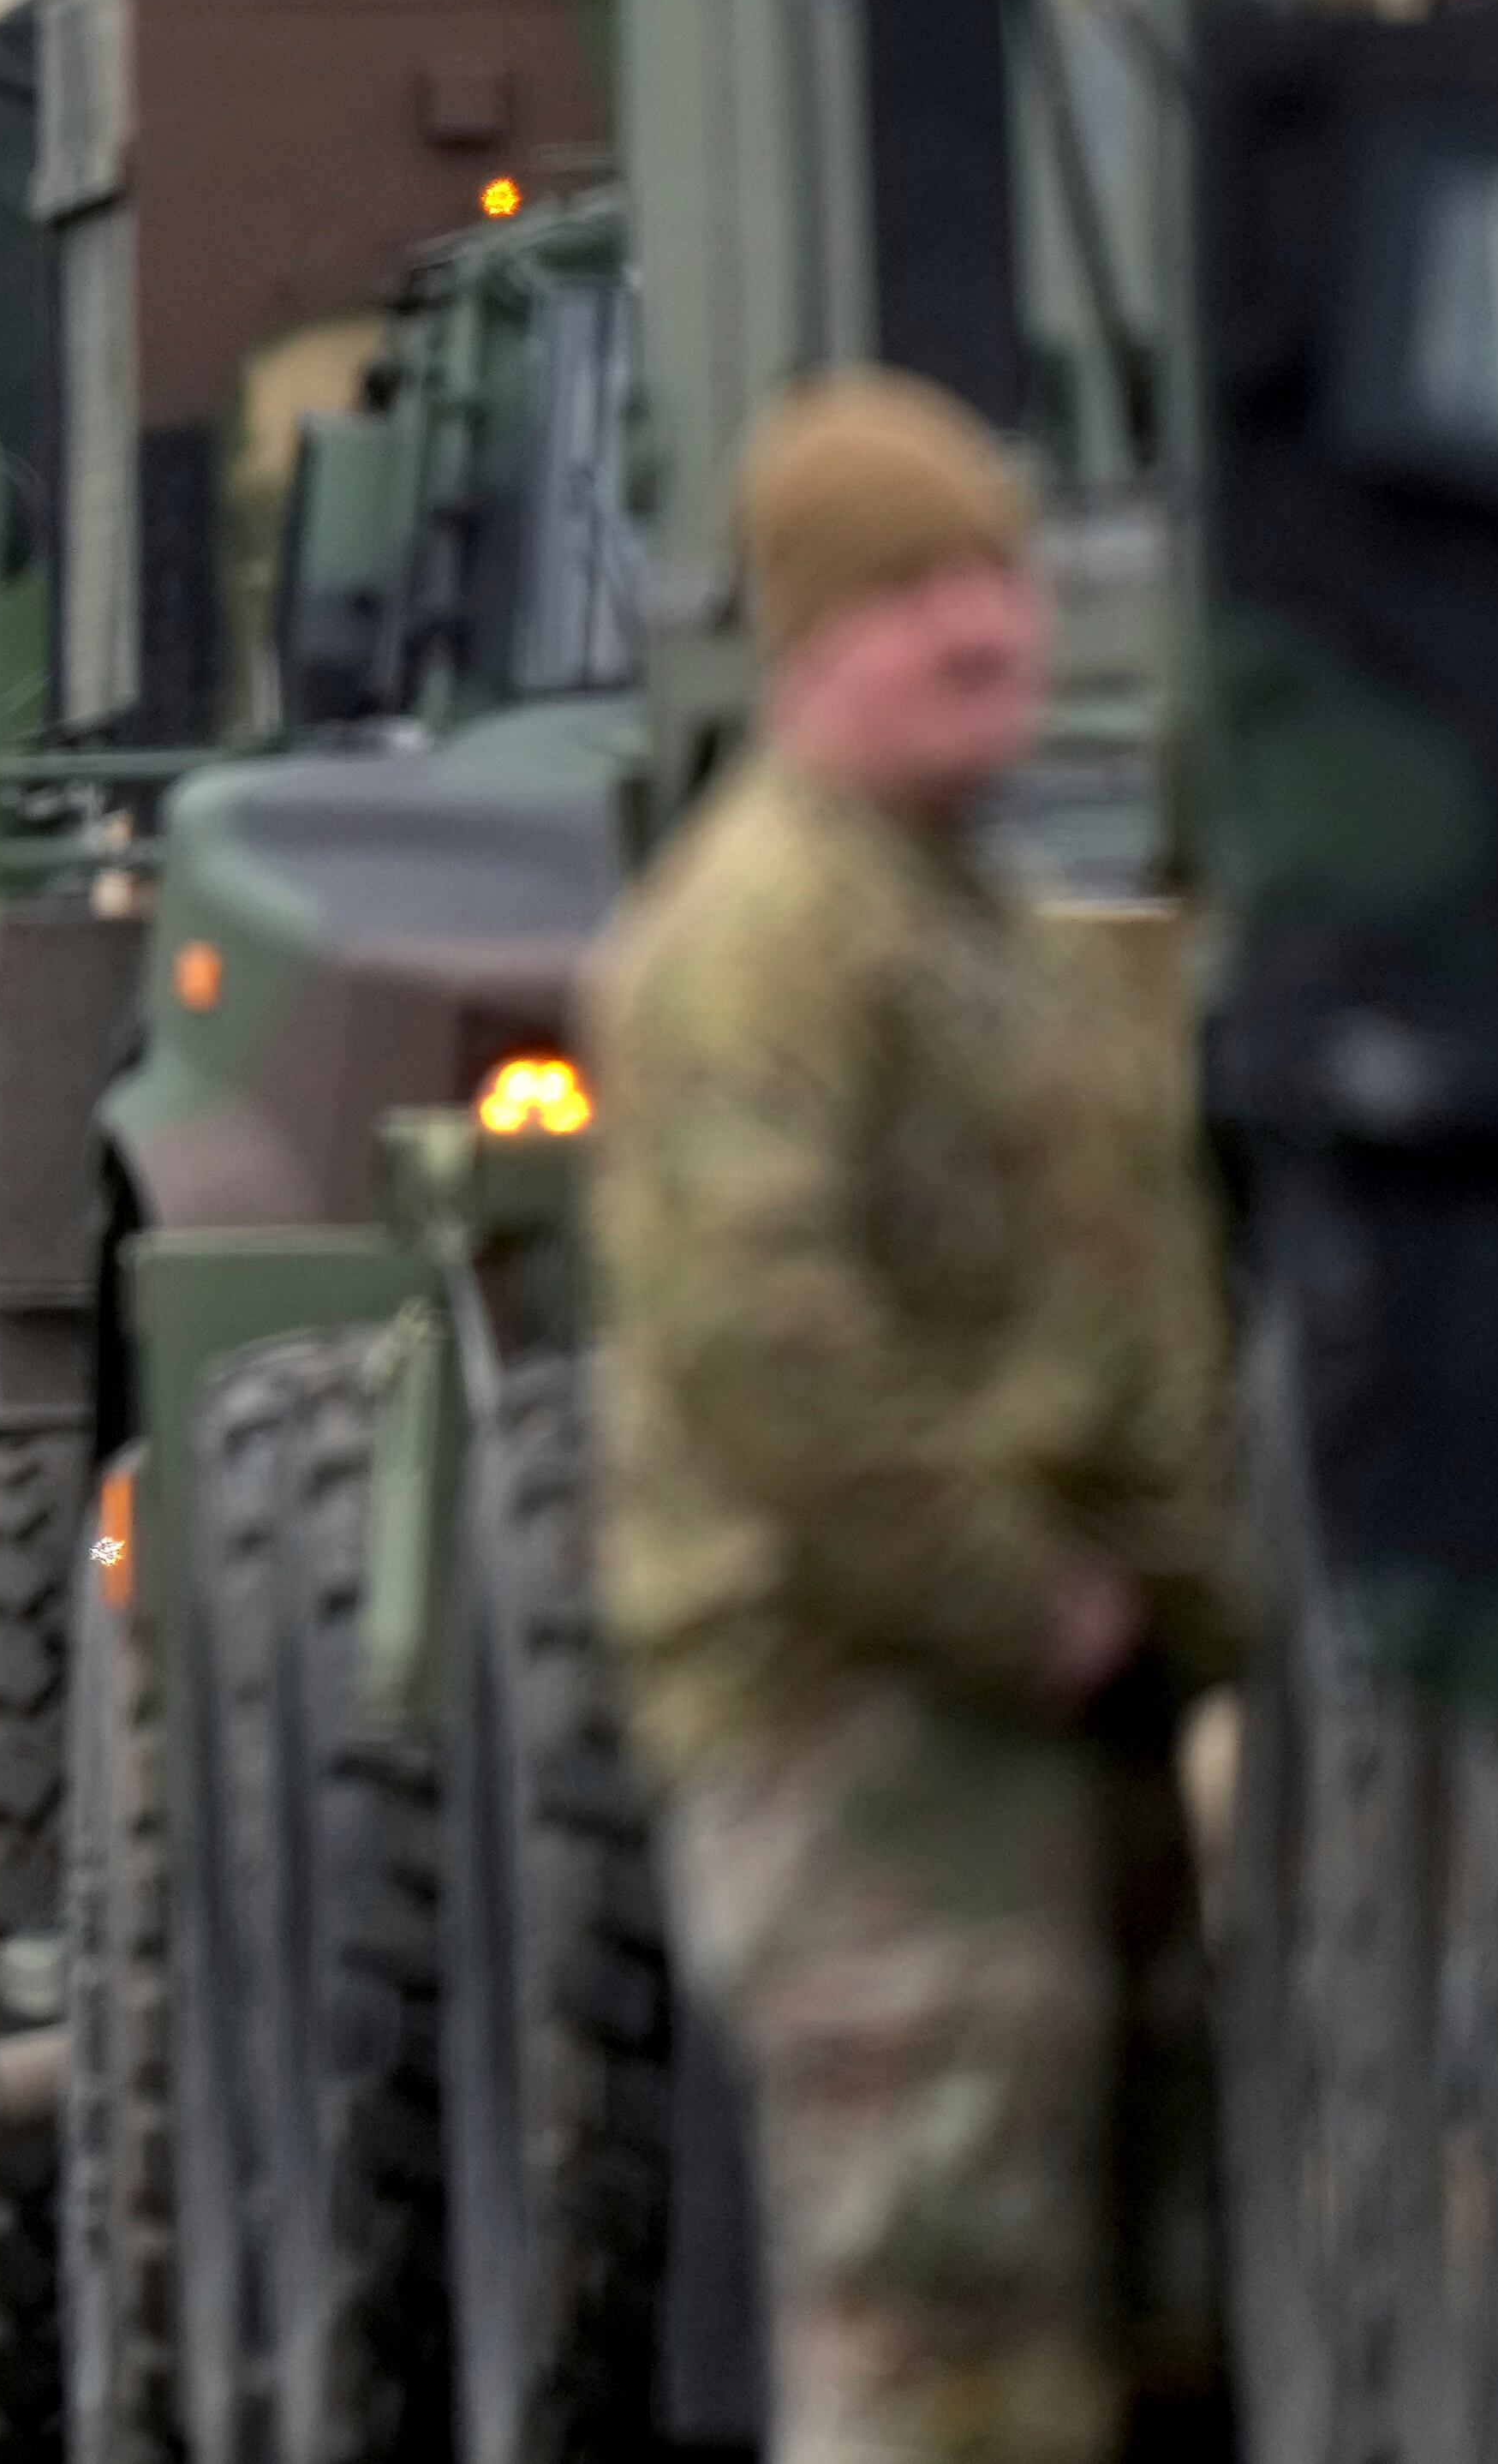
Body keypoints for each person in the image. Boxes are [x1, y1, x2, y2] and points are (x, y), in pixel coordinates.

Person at [586, 372, 1238, 2464]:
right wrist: (1023, 1601)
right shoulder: (763, 933)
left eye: (996, 580)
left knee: (1111, 2340)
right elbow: (756, 1336)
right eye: (910, 595)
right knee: (945, 2349)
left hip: (1041, 1728)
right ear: (804, 642)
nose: (980, 630)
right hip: (870, 1726)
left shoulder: (980, 924)